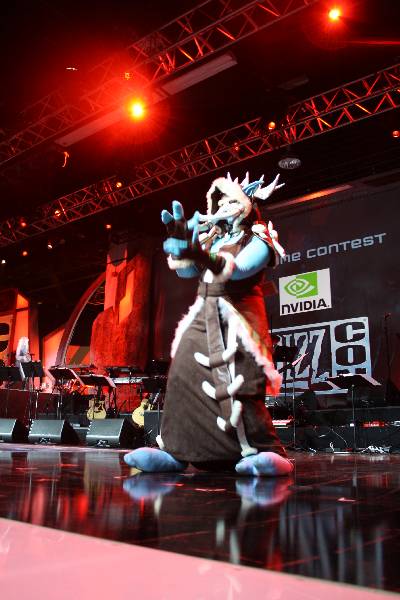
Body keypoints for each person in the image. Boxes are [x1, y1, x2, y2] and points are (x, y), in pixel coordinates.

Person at [125, 172, 293, 476]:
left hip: (239, 320)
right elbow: (186, 272)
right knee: (183, 379)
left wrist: (199, 254)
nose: (224, 206)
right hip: (202, 317)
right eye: (221, 202)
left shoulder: (258, 236)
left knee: (238, 383)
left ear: (246, 205)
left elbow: (240, 269)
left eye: (231, 201)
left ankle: (263, 451)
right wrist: (183, 244)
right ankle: (176, 450)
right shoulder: (213, 238)